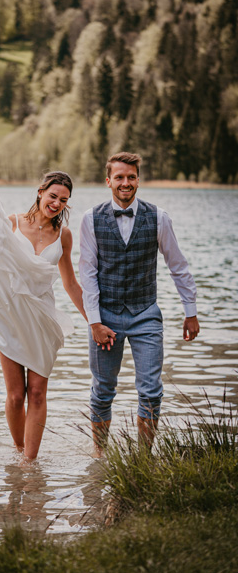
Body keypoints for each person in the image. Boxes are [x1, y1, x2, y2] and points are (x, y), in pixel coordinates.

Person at [79, 152, 200, 451]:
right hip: (105, 317)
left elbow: (178, 266)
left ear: (138, 180)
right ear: (108, 181)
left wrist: (191, 311)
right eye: (119, 177)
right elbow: (88, 274)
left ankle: (143, 459)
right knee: (103, 390)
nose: (125, 183)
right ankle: (100, 455)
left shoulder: (159, 217)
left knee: (150, 390)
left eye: (131, 177)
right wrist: (94, 322)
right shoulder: (89, 219)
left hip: (145, 313)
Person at [0, 171, 86, 460]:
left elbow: (70, 283)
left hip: (41, 319)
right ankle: (19, 450)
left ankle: (29, 463)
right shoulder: (11, 223)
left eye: (63, 200)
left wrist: (94, 320)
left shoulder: (64, 236)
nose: (57, 203)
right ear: (40, 192)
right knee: (15, 395)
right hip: (9, 318)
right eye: (53, 196)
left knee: (37, 393)